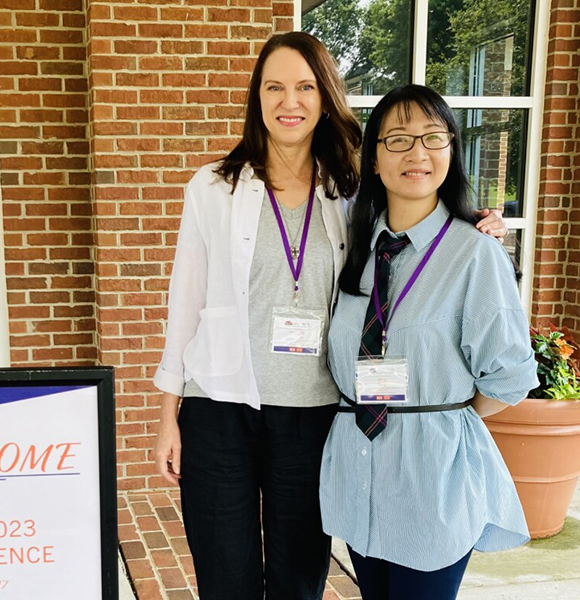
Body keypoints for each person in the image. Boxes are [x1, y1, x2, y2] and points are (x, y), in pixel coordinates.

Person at [153, 33, 507, 600]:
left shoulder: (351, 192)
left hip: (314, 413)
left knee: (299, 577)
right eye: (274, 87)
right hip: (218, 404)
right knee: (224, 576)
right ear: (257, 97)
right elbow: (184, 303)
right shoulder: (213, 187)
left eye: (304, 87)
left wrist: (476, 223)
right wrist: (167, 415)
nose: (288, 101)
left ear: (325, 98)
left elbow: (420, 218)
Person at [319, 84, 538, 600]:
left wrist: (440, 416)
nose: (417, 153)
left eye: (432, 137)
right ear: (374, 159)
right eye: (397, 139)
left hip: (431, 481)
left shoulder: (474, 254)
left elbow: (509, 377)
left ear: (451, 151)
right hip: (360, 474)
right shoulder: (357, 249)